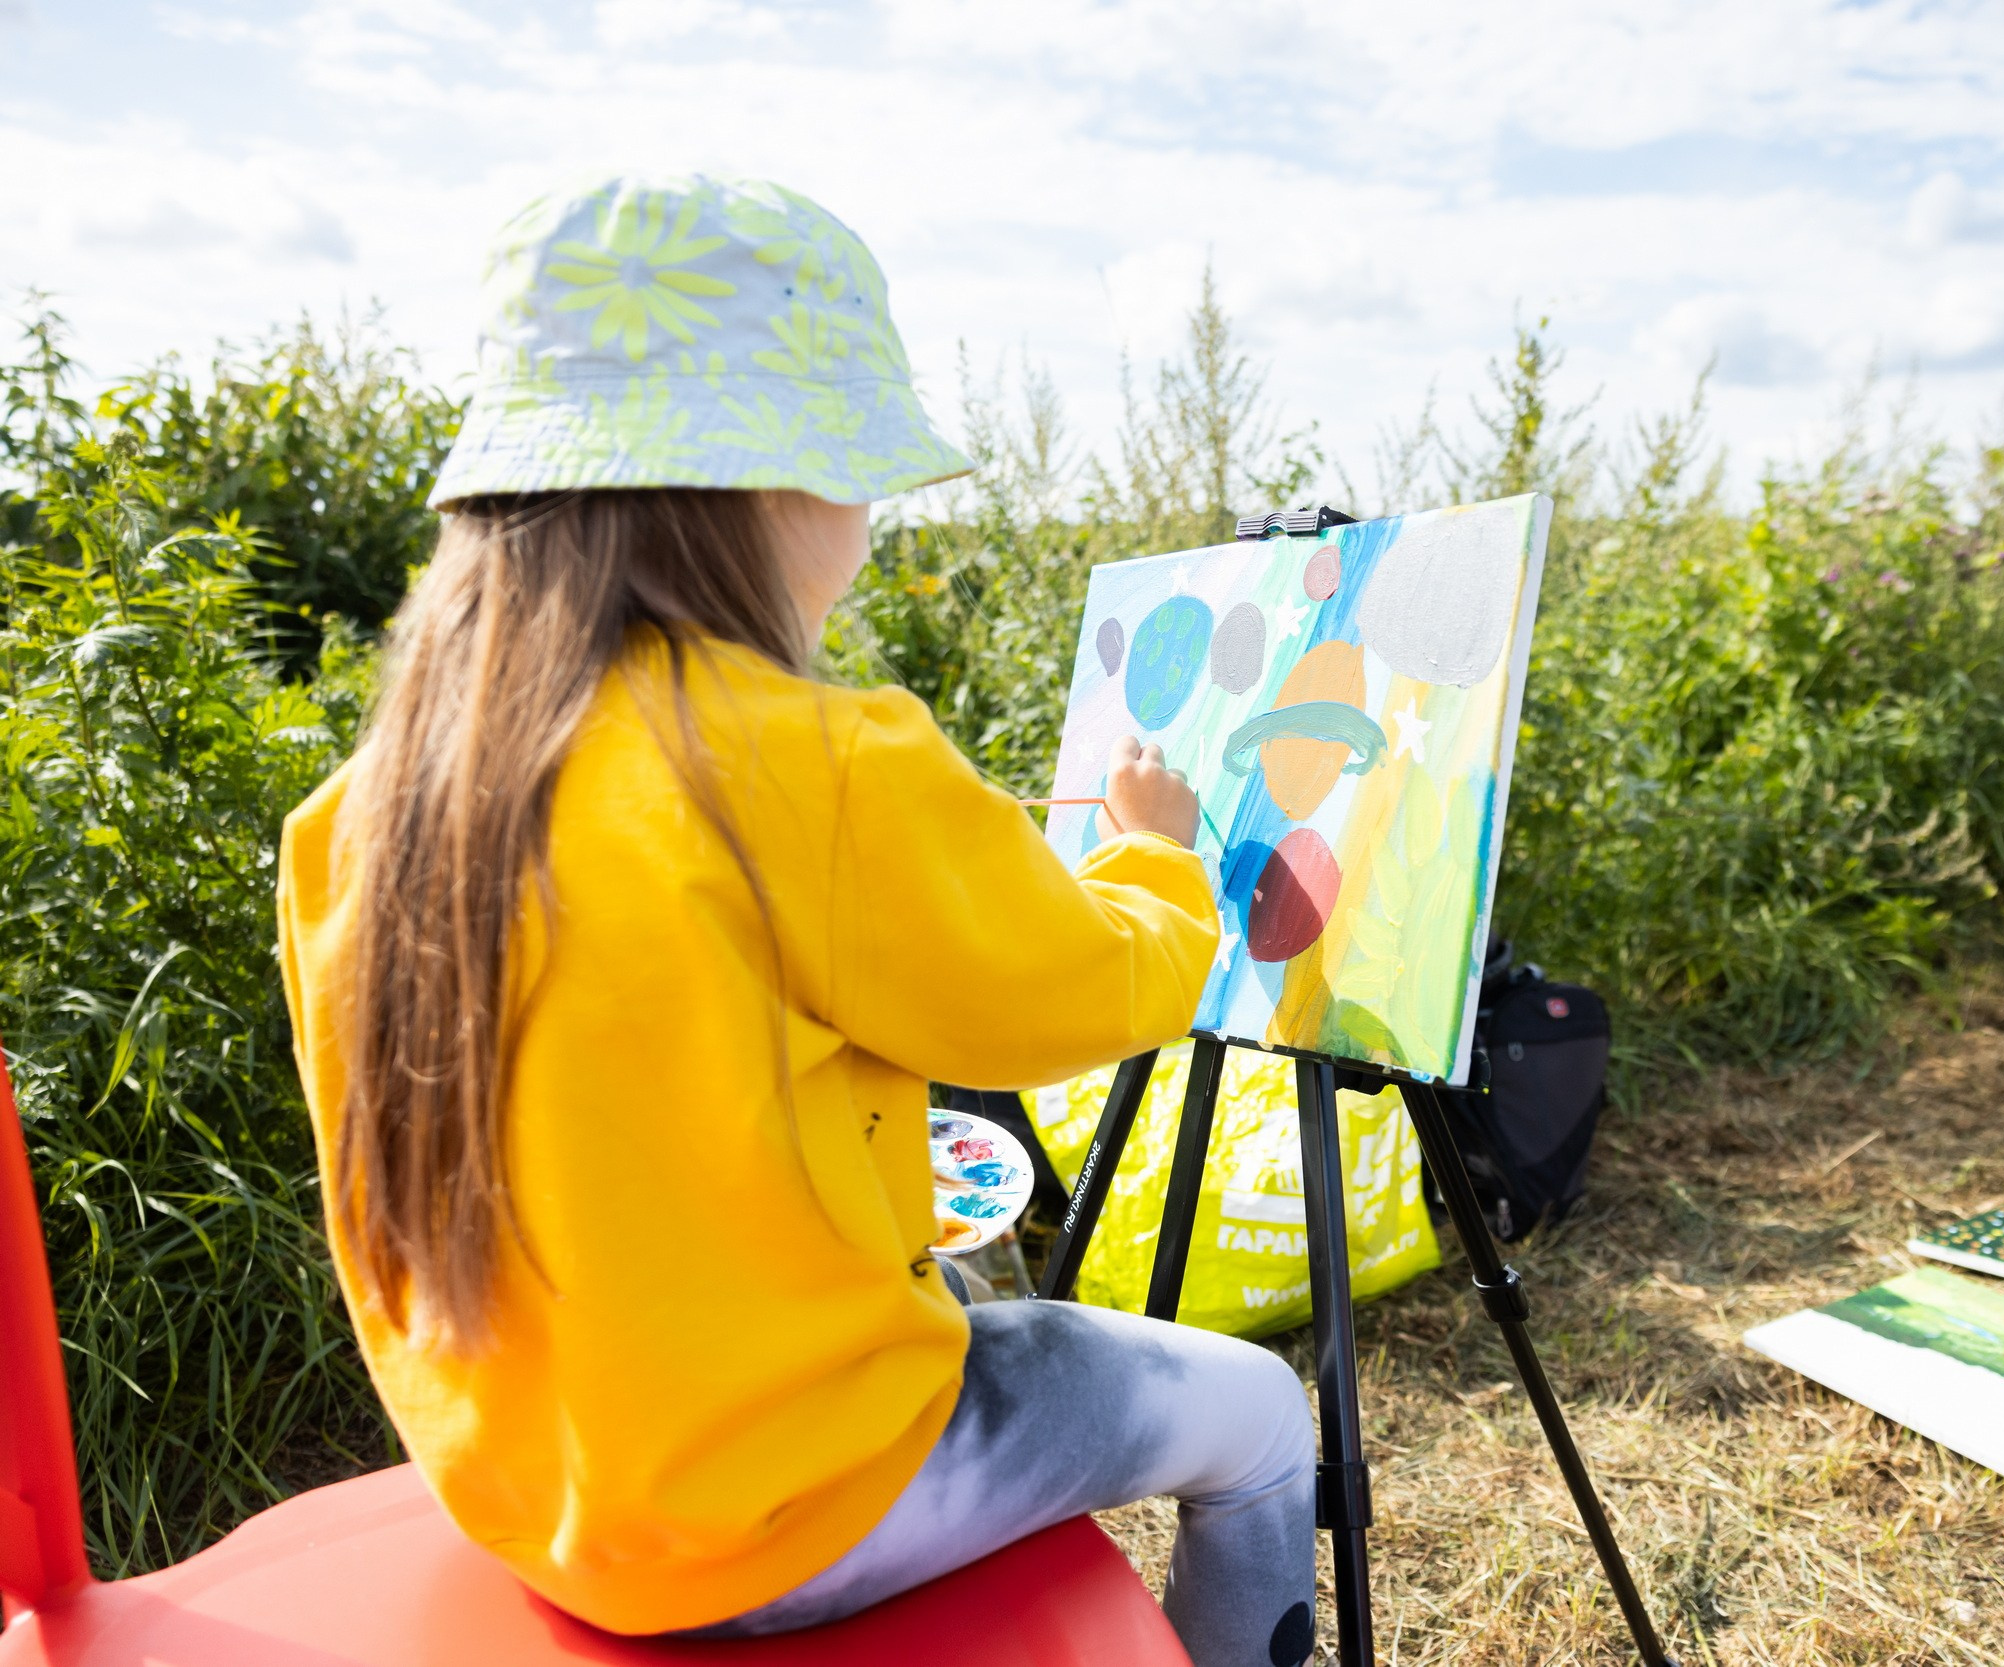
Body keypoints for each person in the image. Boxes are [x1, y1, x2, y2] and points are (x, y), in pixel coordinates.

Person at [276, 175, 1317, 1667]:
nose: (870, 524)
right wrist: (1158, 861)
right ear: (770, 488)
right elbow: (1083, 994)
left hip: (536, 1499)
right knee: (1264, 1419)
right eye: (859, 474)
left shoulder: (364, 814)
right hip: (784, 1509)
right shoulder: (802, 765)